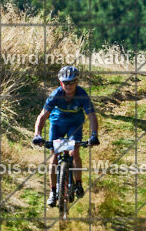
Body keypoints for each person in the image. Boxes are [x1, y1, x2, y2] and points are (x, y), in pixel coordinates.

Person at [32, 65, 100, 207]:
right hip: (57, 124)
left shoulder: (82, 94)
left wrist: (94, 135)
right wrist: (37, 134)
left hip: (75, 125)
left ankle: (78, 184)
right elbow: (42, 116)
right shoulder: (55, 94)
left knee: (75, 152)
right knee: (54, 157)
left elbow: (92, 116)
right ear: (61, 82)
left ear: (77, 82)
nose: (68, 85)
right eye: (65, 82)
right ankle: (53, 191)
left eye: (72, 82)